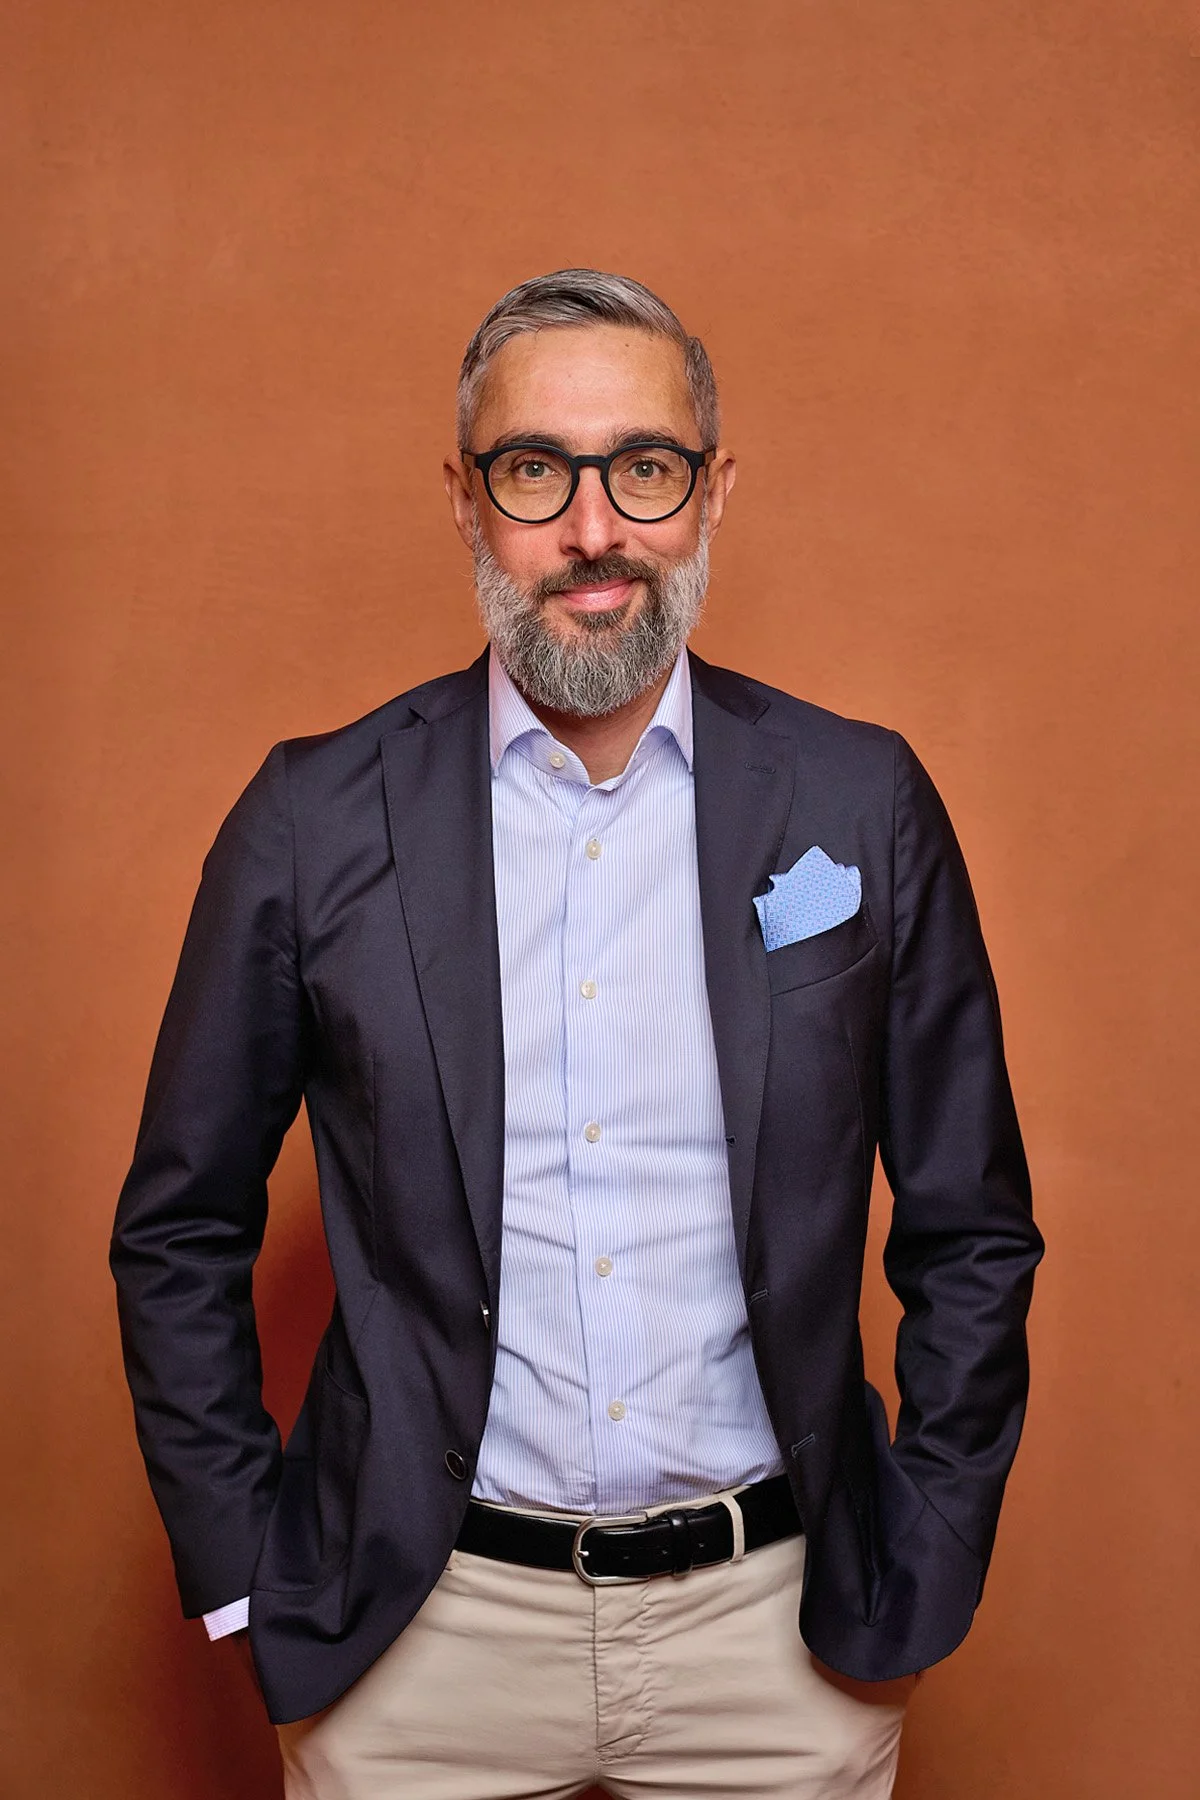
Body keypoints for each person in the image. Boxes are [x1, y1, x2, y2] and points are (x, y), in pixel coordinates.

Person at [110, 268, 1044, 1799]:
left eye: (645, 469)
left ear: (712, 493)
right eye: (537, 471)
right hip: (417, 1646)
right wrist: (243, 1566)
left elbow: (971, 1226)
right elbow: (178, 1228)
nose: (594, 529)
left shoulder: (858, 799)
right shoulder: (311, 818)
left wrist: (925, 1550)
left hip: (779, 1642)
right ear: (468, 501)